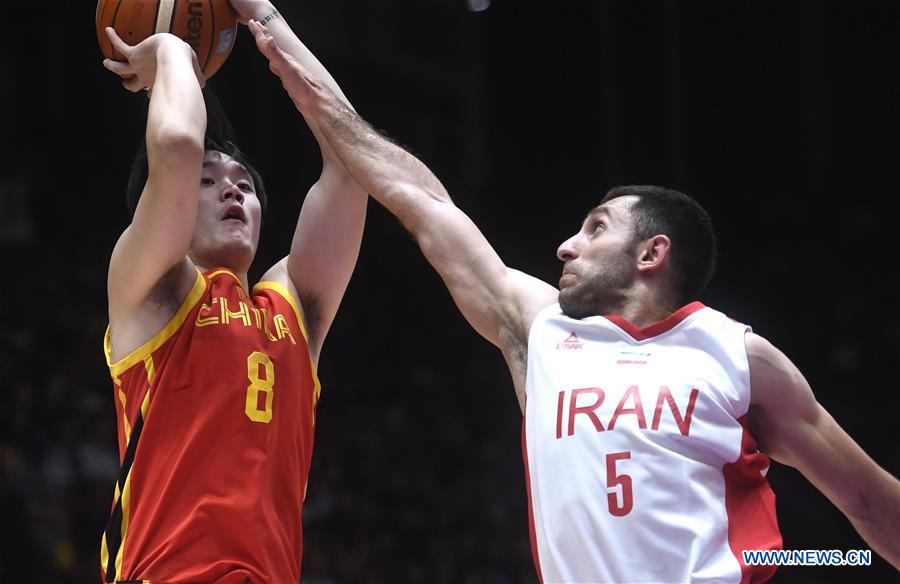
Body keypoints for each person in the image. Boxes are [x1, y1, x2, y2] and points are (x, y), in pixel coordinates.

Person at [246, 21, 900, 583]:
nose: (564, 245)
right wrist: (274, 29)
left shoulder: (739, 354)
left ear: (652, 253)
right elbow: (419, 198)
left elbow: (869, 501)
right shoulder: (542, 330)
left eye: (595, 227)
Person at [97, 1, 367, 581]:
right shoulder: (151, 291)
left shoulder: (290, 305)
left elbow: (352, 161)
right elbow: (174, 145)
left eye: (245, 185)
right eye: (208, 182)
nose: (233, 193)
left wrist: (264, 15)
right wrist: (172, 51)